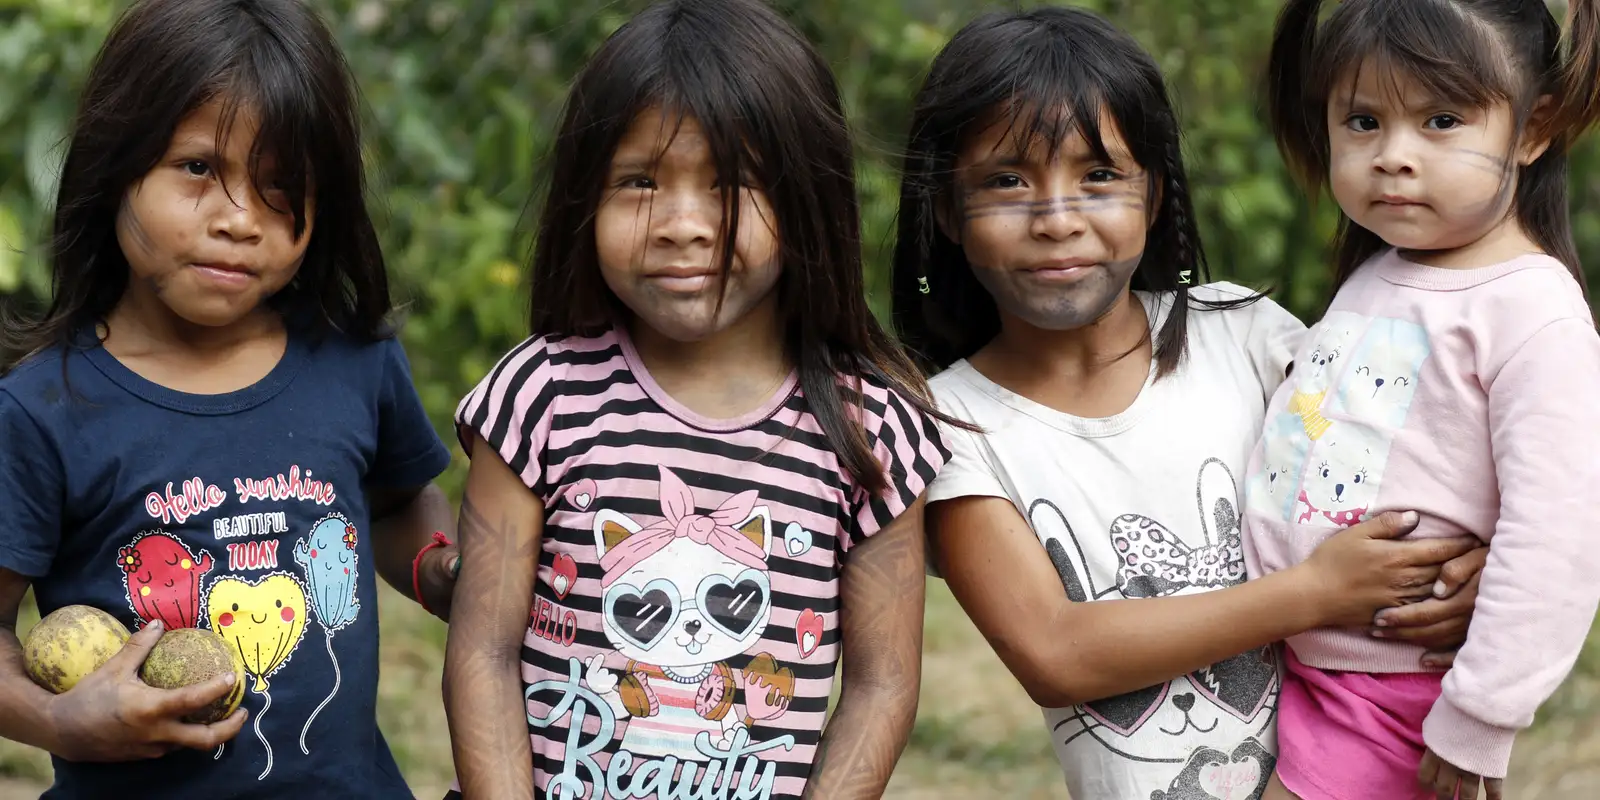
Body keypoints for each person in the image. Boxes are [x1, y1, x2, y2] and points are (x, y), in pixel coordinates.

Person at [890, 8, 1489, 800]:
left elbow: (1407, 469)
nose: (1058, 219)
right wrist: (1314, 593)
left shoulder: (1245, 336)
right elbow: (1056, 653)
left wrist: (1472, 563)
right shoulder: (949, 428)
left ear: (1154, 194)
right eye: (1007, 181)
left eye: (1099, 176)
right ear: (945, 210)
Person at [439, 1, 950, 798]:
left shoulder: (872, 430)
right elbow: (482, 653)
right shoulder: (539, 398)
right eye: (639, 181)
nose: (683, 224)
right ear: (585, 198)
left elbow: (883, 687)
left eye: (732, 183)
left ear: (808, 199)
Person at [0, 0, 459, 796]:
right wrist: (61, 722)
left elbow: (395, 505)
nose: (241, 219)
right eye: (198, 168)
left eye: (281, 183)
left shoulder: (352, 361)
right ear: (115, 166)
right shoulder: (45, 410)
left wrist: (443, 572)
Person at [1253, 1, 1600, 798]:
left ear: (1534, 128)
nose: (1393, 157)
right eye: (1363, 121)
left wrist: (1481, 712)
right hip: (1292, 658)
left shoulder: (1530, 313)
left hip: (1394, 692)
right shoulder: (1381, 273)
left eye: (1441, 121)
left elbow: (1558, 535)